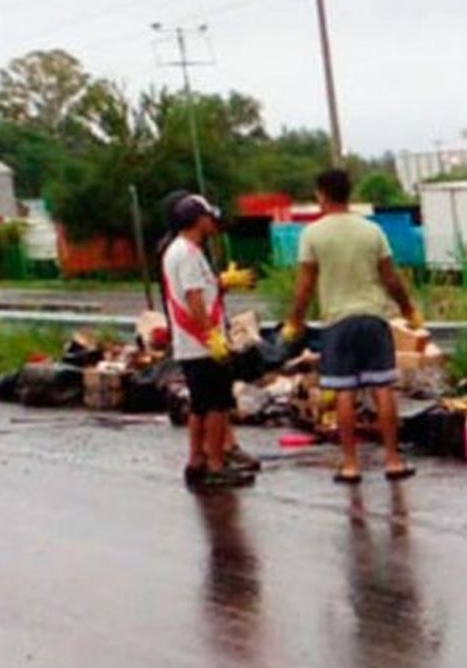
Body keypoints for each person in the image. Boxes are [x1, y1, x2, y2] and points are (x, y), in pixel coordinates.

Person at [284, 169, 420, 484]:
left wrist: (295, 321)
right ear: (349, 192)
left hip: (337, 322)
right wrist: (409, 310)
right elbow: (391, 278)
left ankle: (350, 465)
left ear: (321, 194)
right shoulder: (372, 232)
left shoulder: (313, 235)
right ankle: (393, 460)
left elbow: (305, 286)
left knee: (344, 392)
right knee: (382, 388)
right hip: (373, 318)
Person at [156, 189, 259, 476]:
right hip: (201, 344)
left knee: (200, 406)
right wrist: (210, 336)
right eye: (207, 217)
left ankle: (196, 460)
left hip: (192, 344)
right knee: (217, 404)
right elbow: (193, 297)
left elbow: (200, 289)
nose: (212, 222)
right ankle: (215, 463)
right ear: (195, 219)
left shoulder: (179, 250)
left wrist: (221, 283)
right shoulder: (187, 253)